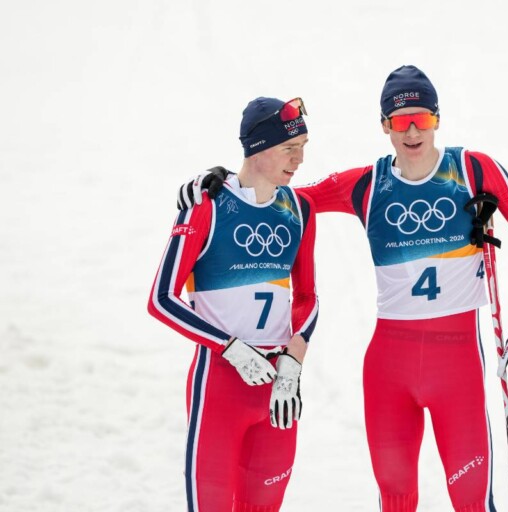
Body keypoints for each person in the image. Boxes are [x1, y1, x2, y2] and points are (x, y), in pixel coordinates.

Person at [178, 66, 508, 512]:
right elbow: (284, 198)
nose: (412, 131)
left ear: (437, 119)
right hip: (387, 371)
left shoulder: (473, 170)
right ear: (384, 126)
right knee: (395, 500)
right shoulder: (368, 183)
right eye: (399, 121)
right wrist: (216, 186)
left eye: (422, 119)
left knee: (473, 502)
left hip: (458, 368)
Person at [149, 96, 319, 512]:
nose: (299, 160)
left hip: (278, 387)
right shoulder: (206, 205)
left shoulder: (299, 207)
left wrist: (293, 360)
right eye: (288, 149)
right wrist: (230, 346)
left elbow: (308, 298)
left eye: (303, 147)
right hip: (219, 384)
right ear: (258, 148)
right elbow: (161, 299)